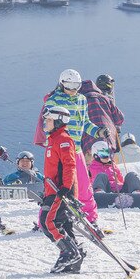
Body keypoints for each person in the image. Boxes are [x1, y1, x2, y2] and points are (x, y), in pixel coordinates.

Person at [35, 70, 99, 224]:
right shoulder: (53, 101)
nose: (73, 89)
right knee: (57, 187)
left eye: (76, 85)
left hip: (76, 150)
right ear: (62, 83)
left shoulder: (82, 100)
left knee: (84, 187)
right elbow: (48, 126)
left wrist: (98, 131)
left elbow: (85, 124)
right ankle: (46, 219)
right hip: (60, 151)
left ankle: (90, 219)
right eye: (69, 85)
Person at [40, 105, 86, 273]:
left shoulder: (63, 139)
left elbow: (69, 165)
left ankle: (69, 252)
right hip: (52, 189)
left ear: (59, 121)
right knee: (64, 225)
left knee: (47, 222)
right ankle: (74, 259)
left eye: (49, 120)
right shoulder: (52, 140)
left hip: (61, 191)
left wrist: (66, 187)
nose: (46, 123)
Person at [81, 74, 125, 156]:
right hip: (106, 139)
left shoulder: (80, 102)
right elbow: (120, 119)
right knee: (105, 165)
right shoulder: (105, 99)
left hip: (87, 144)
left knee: (91, 167)